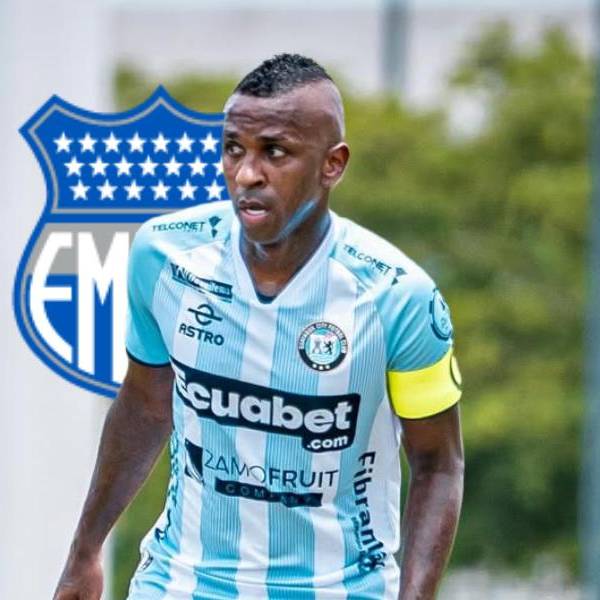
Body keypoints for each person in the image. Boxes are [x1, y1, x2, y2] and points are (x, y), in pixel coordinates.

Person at [54, 53, 464, 600]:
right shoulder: (166, 256)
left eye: (275, 152)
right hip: (182, 582)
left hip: (341, 589)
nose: (247, 174)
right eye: (233, 149)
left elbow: (437, 464)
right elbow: (146, 405)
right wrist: (84, 553)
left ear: (332, 164)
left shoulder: (398, 297)